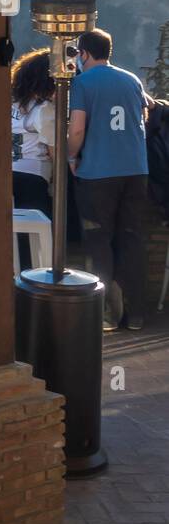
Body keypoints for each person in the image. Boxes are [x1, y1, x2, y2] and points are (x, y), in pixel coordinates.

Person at [69, 28, 152, 331]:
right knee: (131, 238)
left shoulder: (81, 83)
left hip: (98, 173)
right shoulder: (132, 80)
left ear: (84, 54)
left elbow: (77, 129)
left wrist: (70, 156)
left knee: (99, 241)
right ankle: (137, 314)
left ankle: (107, 315)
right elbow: (141, 120)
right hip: (135, 171)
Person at [10, 48, 58, 270]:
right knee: (36, 237)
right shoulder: (43, 109)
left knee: (16, 236)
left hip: (9, 173)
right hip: (34, 177)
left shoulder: (11, 106)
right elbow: (53, 150)